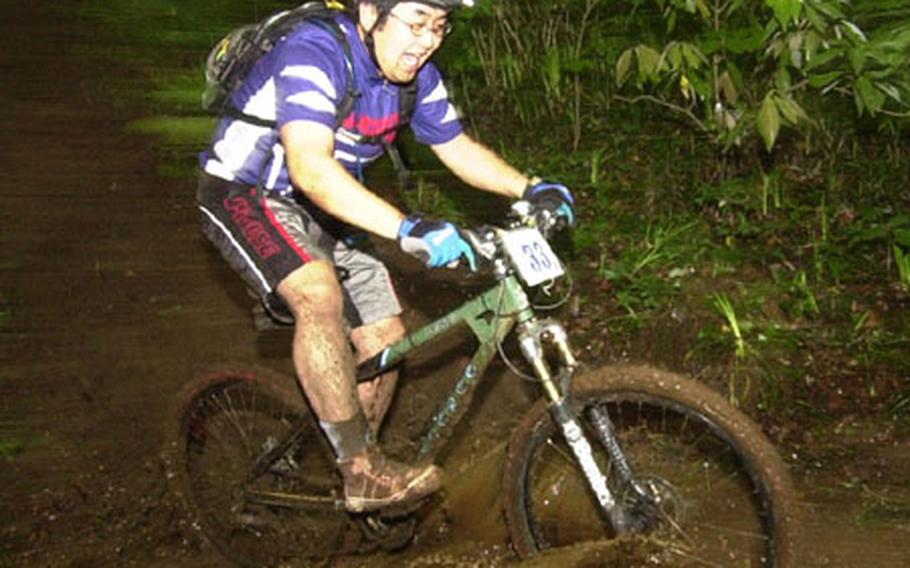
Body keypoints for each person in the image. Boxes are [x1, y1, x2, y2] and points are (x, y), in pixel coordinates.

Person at [196, 0, 575, 513]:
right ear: (372, 10)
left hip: (328, 206)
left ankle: (359, 455)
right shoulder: (314, 50)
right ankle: (359, 472)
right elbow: (309, 168)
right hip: (250, 193)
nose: (426, 40)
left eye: (439, 27)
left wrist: (531, 189)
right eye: (416, 22)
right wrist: (406, 228)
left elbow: (457, 147)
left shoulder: (416, 77)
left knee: (386, 336)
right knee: (317, 291)